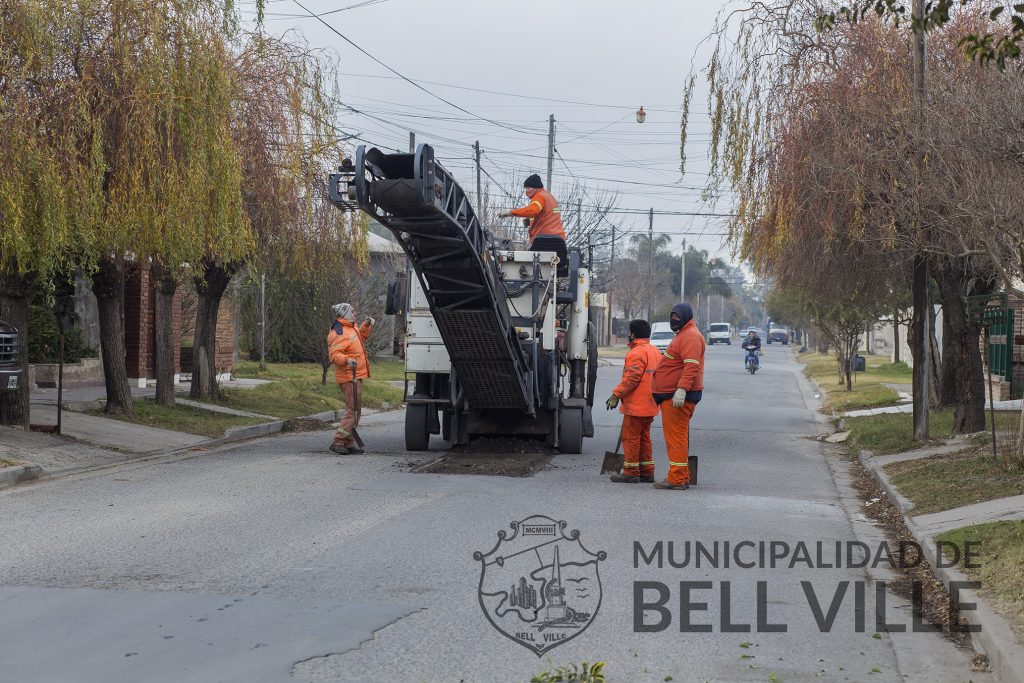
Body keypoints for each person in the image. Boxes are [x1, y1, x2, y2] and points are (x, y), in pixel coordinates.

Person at [650, 303, 705, 490]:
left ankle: (677, 478)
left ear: (686, 316)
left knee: (676, 439)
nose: (674, 320)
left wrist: (681, 389)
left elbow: (691, 366)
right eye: (672, 316)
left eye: (677, 316)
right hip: (672, 396)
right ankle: (681, 475)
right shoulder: (684, 334)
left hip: (677, 397)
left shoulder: (690, 336)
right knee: (677, 438)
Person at [606, 320, 662, 484]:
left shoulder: (636, 353)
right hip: (650, 404)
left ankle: (631, 472)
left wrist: (616, 394)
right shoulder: (655, 351)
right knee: (644, 438)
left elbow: (631, 379)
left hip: (637, 406)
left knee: (631, 438)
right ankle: (646, 472)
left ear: (633, 334)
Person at [327, 303, 375, 455]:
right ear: (344, 313)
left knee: (355, 410)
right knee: (352, 410)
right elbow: (334, 355)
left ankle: (347, 443)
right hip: (349, 376)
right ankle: (339, 441)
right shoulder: (339, 331)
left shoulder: (350, 327)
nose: (355, 313)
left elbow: (360, 338)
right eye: (352, 311)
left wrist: (366, 325)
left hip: (355, 375)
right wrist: (347, 360)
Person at [498, 174, 567, 246]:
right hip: (558, 239)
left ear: (535, 188)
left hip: (545, 239)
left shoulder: (539, 197)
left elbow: (532, 211)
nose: (526, 191)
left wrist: (510, 212)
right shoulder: (549, 196)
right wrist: (531, 220)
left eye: (528, 188)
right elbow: (547, 215)